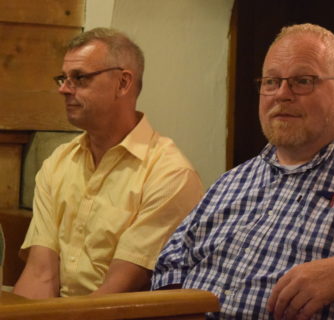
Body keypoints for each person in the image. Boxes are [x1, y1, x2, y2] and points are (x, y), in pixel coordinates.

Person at [152, 23, 334, 319]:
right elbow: (170, 267)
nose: (282, 94)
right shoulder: (232, 181)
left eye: (303, 81)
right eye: (271, 82)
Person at [13, 28, 203, 298]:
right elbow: (40, 275)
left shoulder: (170, 173)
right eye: (63, 78)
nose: (63, 89)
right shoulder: (58, 162)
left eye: (79, 78)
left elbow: (115, 294)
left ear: (123, 83)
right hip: (62, 313)